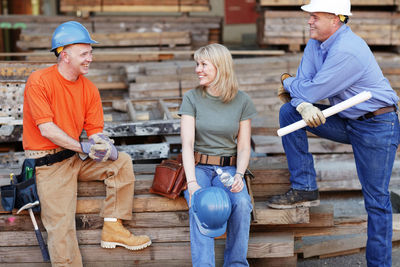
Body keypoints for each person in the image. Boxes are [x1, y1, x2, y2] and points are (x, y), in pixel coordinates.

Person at [267, 0, 400, 266]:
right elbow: (303, 91)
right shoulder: (316, 44)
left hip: (377, 125)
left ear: (336, 19)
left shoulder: (348, 50)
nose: (309, 21)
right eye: (310, 16)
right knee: (290, 113)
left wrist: (287, 82)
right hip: (347, 117)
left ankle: (380, 264)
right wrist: (302, 104)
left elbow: (310, 90)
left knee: (376, 200)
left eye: (315, 16)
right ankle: (304, 187)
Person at [22, 21, 151, 266]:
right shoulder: (38, 81)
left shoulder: (90, 89)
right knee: (62, 230)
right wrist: (83, 147)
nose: (90, 58)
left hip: (74, 159)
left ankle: (113, 226)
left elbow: (94, 132)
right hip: (47, 165)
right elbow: (46, 129)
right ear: (65, 55)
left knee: (121, 162)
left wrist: (103, 145)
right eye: (84, 53)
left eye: (91, 52)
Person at [178, 43, 257, 267]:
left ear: (220, 67)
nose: (198, 69)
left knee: (241, 203)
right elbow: (187, 143)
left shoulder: (242, 101)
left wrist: (240, 175)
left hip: (229, 168)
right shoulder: (191, 98)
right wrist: (191, 182)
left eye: (203, 64)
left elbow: (243, 146)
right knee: (199, 202)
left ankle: (236, 264)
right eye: (197, 64)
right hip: (199, 167)